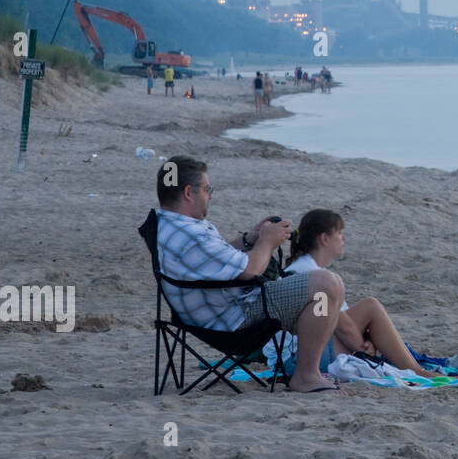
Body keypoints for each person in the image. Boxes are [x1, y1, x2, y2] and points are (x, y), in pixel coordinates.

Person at [155, 156, 345, 394]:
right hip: (232, 317)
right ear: (188, 193)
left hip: (213, 307)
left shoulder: (170, 224)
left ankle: (307, 369)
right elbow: (250, 269)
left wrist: (250, 239)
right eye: (206, 189)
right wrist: (267, 242)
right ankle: (306, 375)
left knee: (324, 287)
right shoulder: (192, 236)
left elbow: (214, 259)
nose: (210, 195)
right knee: (327, 285)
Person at [263, 209, 437, 378]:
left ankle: (413, 367)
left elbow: (330, 321)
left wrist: (366, 340)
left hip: (297, 356)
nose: (343, 238)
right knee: (371, 306)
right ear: (324, 238)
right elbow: (340, 326)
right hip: (299, 360)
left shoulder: (304, 268)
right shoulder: (309, 273)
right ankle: (417, 371)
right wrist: (363, 349)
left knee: (369, 316)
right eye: (339, 233)